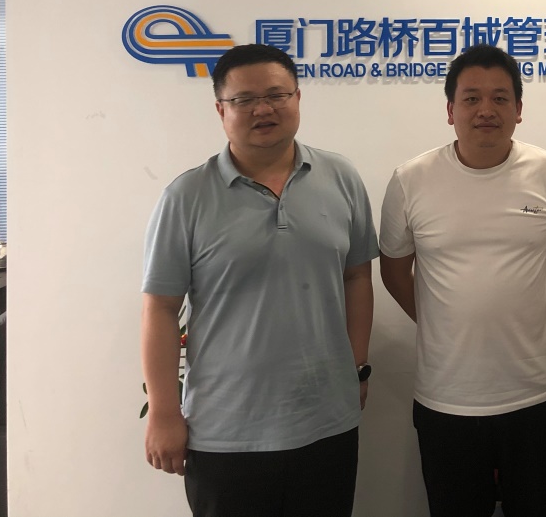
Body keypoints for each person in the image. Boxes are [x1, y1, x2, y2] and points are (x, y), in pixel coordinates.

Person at [141, 44, 378, 517]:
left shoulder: (341, 177)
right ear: (220, 110)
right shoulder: (186, 197)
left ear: (297, 98)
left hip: (327, 424)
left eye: (276, 95)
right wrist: (165, 413)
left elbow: (356, 277)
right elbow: (161, 309)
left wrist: (356, 367)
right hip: (226, 433)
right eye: (244, 99)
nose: (263, 109)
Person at [379, 43, 546, 517]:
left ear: (518, 109)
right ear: (450, 110)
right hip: (446, 398)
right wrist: (441, 322)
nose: (485, 110)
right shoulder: (411, 179)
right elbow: (394, 271)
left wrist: (523, 312)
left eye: (500, 98)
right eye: (471, 98)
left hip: (534, 392)